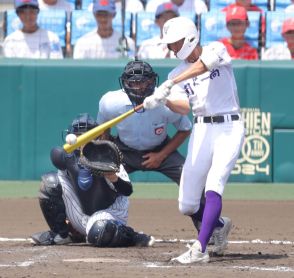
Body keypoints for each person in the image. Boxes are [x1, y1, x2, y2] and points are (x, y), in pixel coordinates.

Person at [143, 17, 245, 264]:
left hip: (229, 126)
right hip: (202, 129)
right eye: (170, 45)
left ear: (189, 37)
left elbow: (203, 65)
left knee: (214, 185)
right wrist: (162, 99)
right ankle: (219, 225)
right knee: (187, 204)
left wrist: (170, 83)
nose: (173, 49)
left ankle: (200, 248)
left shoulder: (216, 49)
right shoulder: (175, 73)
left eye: (175, 43)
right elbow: (184, 107)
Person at [97, 59, 230, 243]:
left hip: (161, 149)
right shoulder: (110, 102)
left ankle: (211, 229)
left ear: (152, 81)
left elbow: (185, 129)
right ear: (125, 83)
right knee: (101, 177)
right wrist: (109, 154)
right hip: (124, 151)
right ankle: (97, 225)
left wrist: (161, 155)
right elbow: (103, 128)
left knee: (192, 179)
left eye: (143, 81)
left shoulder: (165, 103)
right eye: (133, 82)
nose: (139, 87)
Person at [31, 113, 155, 248]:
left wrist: (113, 177)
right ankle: (62, 235)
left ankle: (132, 235)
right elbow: (57, 156)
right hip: (81, 211)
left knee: (98, 232)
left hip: (109, 212)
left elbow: (127, 190)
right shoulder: (66, 156)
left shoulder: (107, 156)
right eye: (77, 135)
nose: (79, 139)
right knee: (50, 182)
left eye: (83, 135)